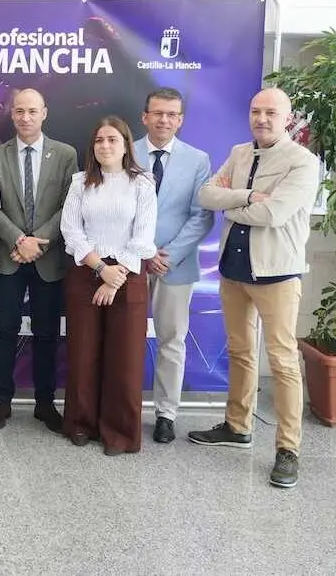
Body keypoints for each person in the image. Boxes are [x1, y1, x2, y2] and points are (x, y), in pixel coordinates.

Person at [188, 87, 320, 489]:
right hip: (234, 269)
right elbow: (206, 194)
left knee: (282, 362)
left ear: (288, 118)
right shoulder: (240, 152)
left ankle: (288, 449)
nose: (261, 118)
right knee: (241, 352)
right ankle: (237, 426)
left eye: (271, 112)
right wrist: (243, 196)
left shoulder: (303, 162)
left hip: (276, 273)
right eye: (256, 111)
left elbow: (275, 212)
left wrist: (230, 206)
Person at [60, 115, 157, 456]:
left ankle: (119, 433)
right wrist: (101, 268)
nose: (104, 145)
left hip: (127, 278)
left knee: (125, 359)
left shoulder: (143, 183)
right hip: (87, 273)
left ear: (126, 145)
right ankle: (81, 424)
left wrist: (115, 278)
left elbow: (144, 237)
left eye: (112, 139)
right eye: (99, 140)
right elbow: (71, 231)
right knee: (83, 355)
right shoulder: (80, 182)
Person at [0, 88, 78, 433]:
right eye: (20, 111)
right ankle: (1, 401)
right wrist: (18, 240)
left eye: (32, 111)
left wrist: (38, 242)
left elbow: (69, 204)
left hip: (48, 257)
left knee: (47, 334)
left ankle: (44, 403)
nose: (25, 117)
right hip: (9, 256)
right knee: (5, 329)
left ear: (44, 113)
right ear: (12, 114)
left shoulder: (65, 154)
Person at [132, 88, 214, 444]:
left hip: (174, 266)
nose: (164, 120)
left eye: (171, 114)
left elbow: (201, 217)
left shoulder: (198, 160)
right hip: (130, 263)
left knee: (172, 340)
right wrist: (143, 252)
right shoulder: (125, 152)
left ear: (180, 120)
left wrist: (167, 254)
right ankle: (125, 408)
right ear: (144, 116)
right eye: (157, 113)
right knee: (126, 340)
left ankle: (166, 413)